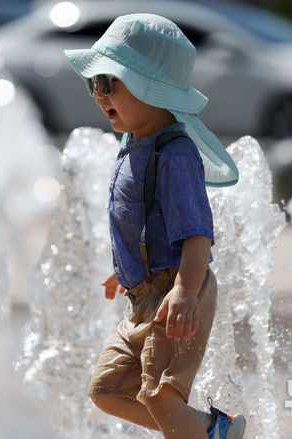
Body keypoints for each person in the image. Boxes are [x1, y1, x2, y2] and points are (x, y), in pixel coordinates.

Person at [64, 13, 246, 439]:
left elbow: (197, 232)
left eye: (108, 83)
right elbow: (142, 221)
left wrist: (185, 290)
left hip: (176, 290)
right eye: (93, 82)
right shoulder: (134, 145)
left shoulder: (175, 153)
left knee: (160, 393)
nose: (97, 92)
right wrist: (125, 269)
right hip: (145, 294)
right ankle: (207, 430)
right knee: (107, 388)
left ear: (151, 89)